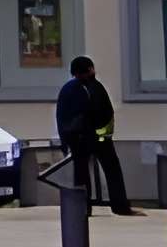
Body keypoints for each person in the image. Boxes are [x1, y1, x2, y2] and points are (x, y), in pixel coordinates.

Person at [55, 55, 136, 215]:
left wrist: (65, 142)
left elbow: (60, 116)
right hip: (100, 140)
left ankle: (83, 208)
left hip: (77, 141)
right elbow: (106, 113)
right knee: (112, 171)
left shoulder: (67, 89)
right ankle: (120, 206)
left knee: (81, 175)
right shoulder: (96, 87)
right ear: (90, 69)